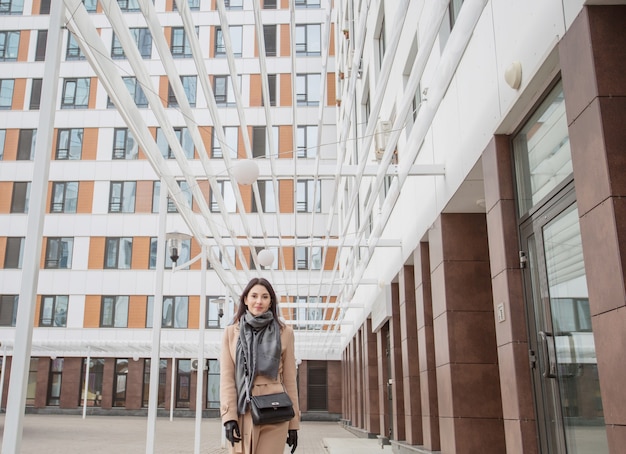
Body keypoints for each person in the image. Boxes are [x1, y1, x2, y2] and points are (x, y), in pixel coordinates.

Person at [220, 277, 300, 453]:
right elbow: (227, 378)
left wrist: (294, 423)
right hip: (243, 411)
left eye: (265, 297)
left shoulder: (285, 333)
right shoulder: (230, 333)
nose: (259, 301)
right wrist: (229, 417)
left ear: (271, 301)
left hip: (275, 410)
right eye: (254, 296)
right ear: (245, 299)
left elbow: (290, 380)